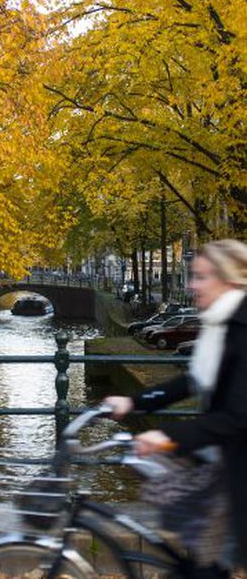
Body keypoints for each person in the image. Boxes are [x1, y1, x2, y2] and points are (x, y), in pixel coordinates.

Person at [103, 239, 247, 574]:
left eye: (201, 277)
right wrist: (133, 402)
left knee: (205, 566)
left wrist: (165, 436)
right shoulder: (218, 326)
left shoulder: (241, 330)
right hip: (224, 465)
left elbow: (237, 417)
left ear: (228, 280)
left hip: (237, 471)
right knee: (197, 562)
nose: (191, 285)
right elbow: (189, 381)